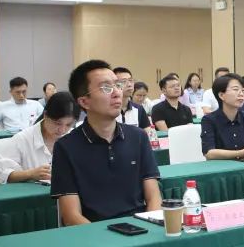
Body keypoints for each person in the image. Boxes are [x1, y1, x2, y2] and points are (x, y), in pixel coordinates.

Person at [51, 60, 161, 225]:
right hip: (93, 234)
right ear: (84, 102)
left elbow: (154, 198)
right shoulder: (66, 147)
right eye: (106, 88)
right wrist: (103, 239)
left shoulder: (138, 137)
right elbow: (71, 216)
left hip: (140, 229)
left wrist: (148, 229)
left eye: (117, 85)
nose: (117, 93)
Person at [0, 91, 77, 184]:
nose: (62, 130)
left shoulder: (73, 138)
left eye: (68, 125)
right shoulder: (23, 139)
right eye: (57, 123)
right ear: (45, 115)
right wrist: (30, 174)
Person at [200, 72, 244, 160]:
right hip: (221, 167)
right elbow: (209, 153)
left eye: (243, 90)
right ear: (221, 95)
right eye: (235, 89)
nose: (241, 94)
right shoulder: (209, 120)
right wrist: (241, 153)